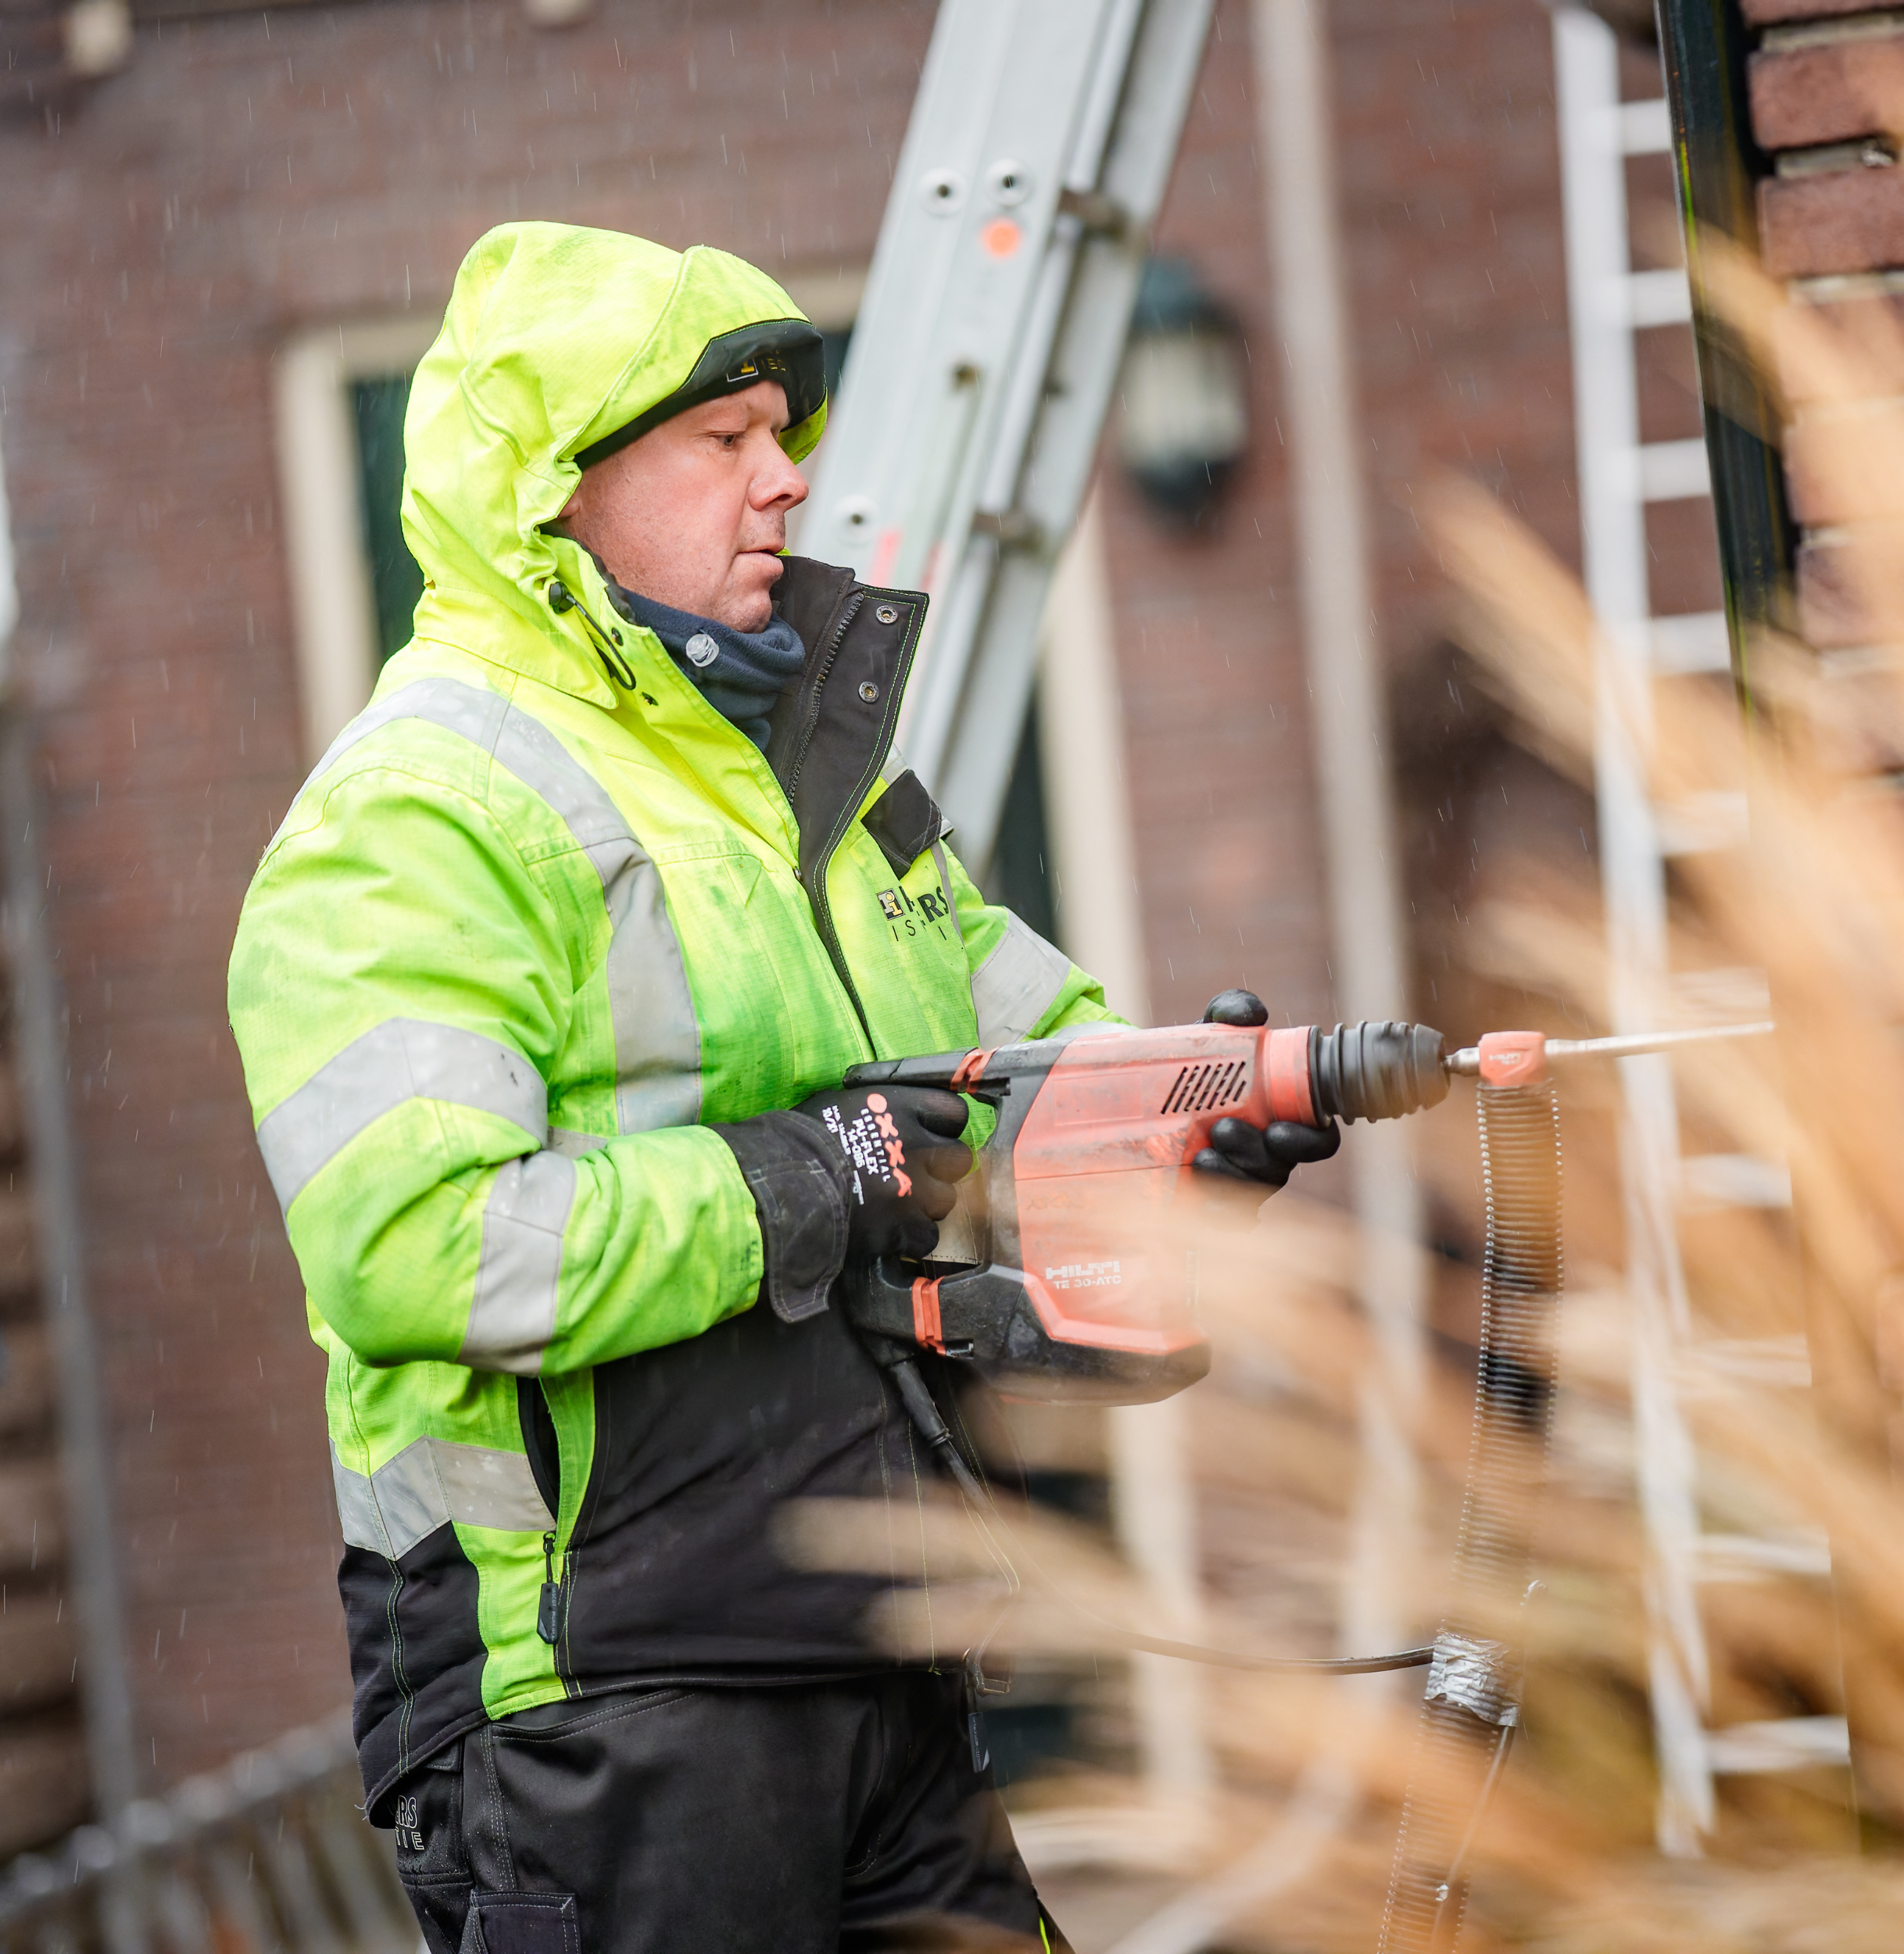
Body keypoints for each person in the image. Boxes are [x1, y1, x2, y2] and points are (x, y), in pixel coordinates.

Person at [227, 222, 1337, 1954]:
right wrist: (802, 1175)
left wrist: (1192, 1124)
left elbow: (1016, 1083)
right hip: (600, 1699)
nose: (787, 480)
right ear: (552, 489)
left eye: (782, 434)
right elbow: (422, 1248)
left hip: (877, 1651)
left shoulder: (806, 788)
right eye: (725, 442)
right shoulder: (417, 817)